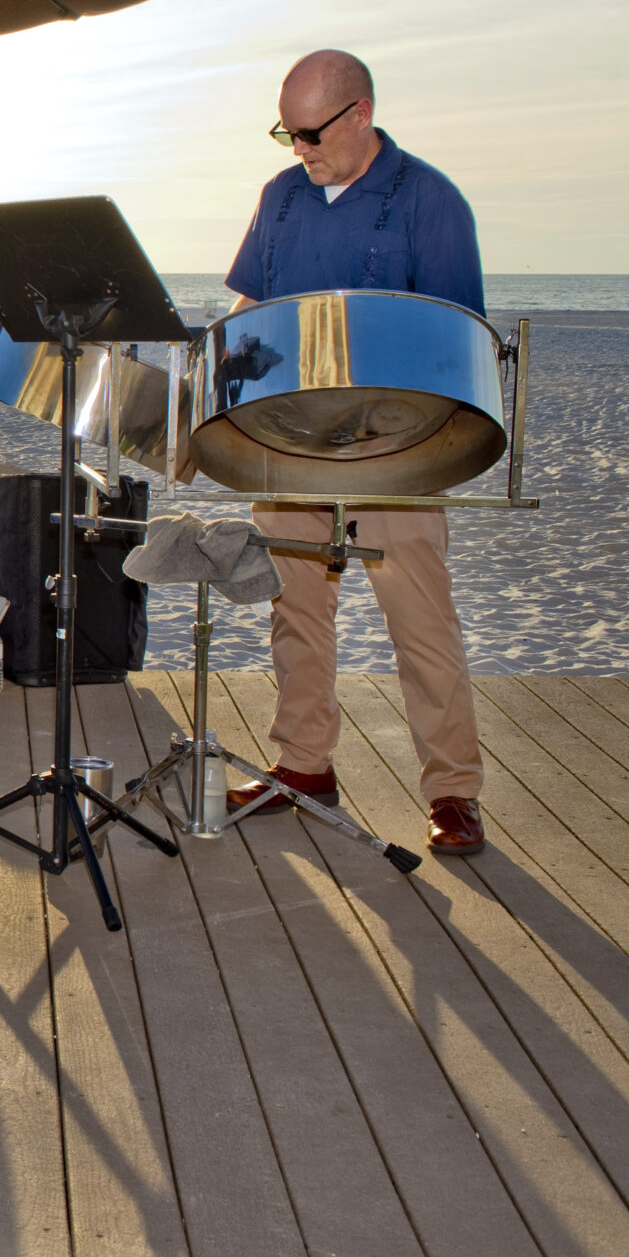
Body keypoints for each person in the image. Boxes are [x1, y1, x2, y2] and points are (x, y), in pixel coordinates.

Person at [223, 49, 488, 855]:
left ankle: (452, 789)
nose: (299, 149)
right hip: (293, 438)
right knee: (296, 608)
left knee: (419, 617)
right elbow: (251, 301)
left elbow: (454, 338)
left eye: (310, 133)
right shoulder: (282, 196)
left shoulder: (429, 201)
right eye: (287, 132)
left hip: (394, 446)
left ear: (359, 114)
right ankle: (304, 764)